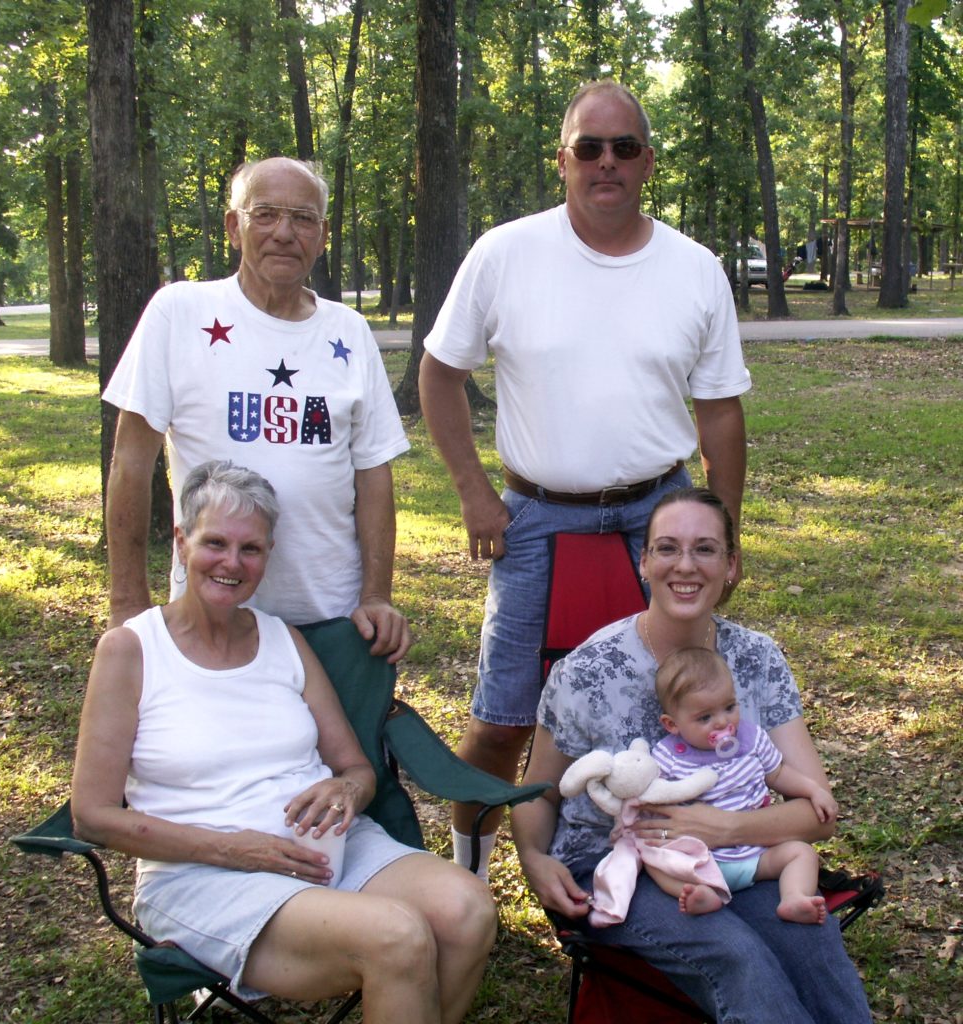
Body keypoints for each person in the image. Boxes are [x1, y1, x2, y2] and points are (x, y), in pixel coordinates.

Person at [419, 80, 750, 874]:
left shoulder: (694, 268)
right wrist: (473, 492)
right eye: (589, 148)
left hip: (661, 517)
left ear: (648, 163)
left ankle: (664, 867)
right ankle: (468, 872)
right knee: (503, 718)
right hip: (535, 517)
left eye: (624, 148)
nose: (607, 163)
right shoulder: (505, 253)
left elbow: (722, 415)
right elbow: (438, 375)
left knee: (677, 701)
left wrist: (720, 536)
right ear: (562, 159)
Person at [71, 460, 496, 1023]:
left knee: (468, 909)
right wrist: (232, 849)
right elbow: (92, 816)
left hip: (330, 852)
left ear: (267, 556)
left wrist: (346, 790)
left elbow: (355, 768)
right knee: (397, 937)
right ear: (181, 542)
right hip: (203, 876)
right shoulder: (131, 650)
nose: (232, 563)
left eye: (251, 549)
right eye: (215, 543)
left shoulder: (283, 641)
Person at [511, 487, 872, 1023]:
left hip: (738, 857)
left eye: (705, 549)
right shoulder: (587, 671)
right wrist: (534, 860)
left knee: (812, 947)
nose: (686, 565)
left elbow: (817, 816)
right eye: (667, 548)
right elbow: (539, 790)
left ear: (731, 565)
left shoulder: (757, 658)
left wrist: (721, 829)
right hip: (620, 866)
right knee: (738, 956)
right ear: (644, 562)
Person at [103, 157, 410, 661]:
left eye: (304, 218)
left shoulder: (349, 332)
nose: (285, 233)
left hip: (330, 619)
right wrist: (128, 601)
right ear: (233, 226)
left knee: (336, 742)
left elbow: (374, 473)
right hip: (209, 615)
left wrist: (375, 595)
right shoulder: (179, 313)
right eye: (265, 214)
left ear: (323, 234)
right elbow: (131, 462)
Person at [650, 647, 836, 922]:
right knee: (656, 862)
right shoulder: (669, 756)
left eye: (729, 707)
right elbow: (652, 797)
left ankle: (794, 897)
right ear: (672, 724)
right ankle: (700, 894)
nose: (723, 721)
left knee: (802, 853)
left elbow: (778, 772)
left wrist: (813, 790)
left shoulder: (751, 739)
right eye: (705, 717)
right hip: (701, 861)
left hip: (756, 853)